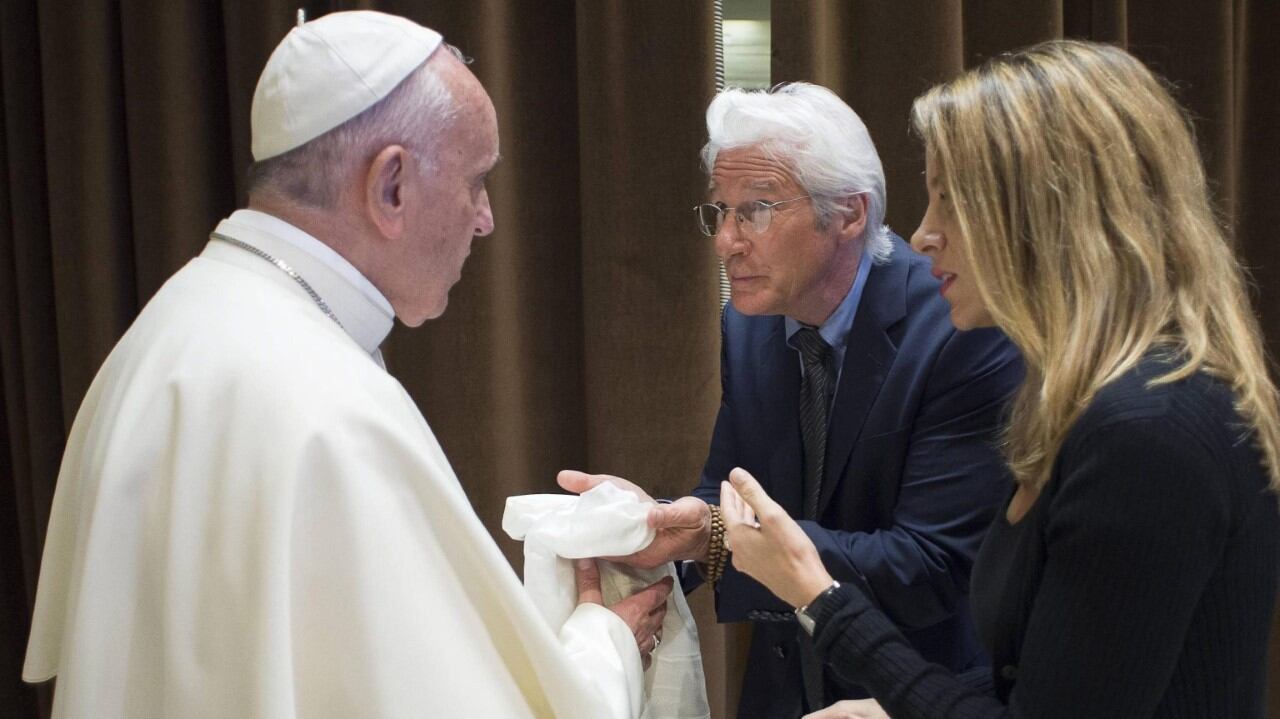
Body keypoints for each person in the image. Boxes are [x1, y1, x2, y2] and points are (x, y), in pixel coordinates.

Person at [22, 11, 671, 718]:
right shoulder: (328, 410)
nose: (485, 219)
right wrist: (606, 644)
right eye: (475, 182)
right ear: (390, 185)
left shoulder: (166, 329)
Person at [719, 39, 1280, 719]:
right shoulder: (1093, 401)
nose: (923, 235)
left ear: (1051, 215)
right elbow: (1061, 680)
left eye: (952, 200)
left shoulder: (1146, 429)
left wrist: (819, 595)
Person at [560, 83, 1023, 717]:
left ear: (850, 213)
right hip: (784, 689)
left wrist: (715, 536)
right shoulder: (749, 325)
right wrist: (655, 525)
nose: (726, 242)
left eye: (755, 210)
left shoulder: (957, 325)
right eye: (718, 213)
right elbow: (729, 491)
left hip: (914, 692)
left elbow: (932, 563)